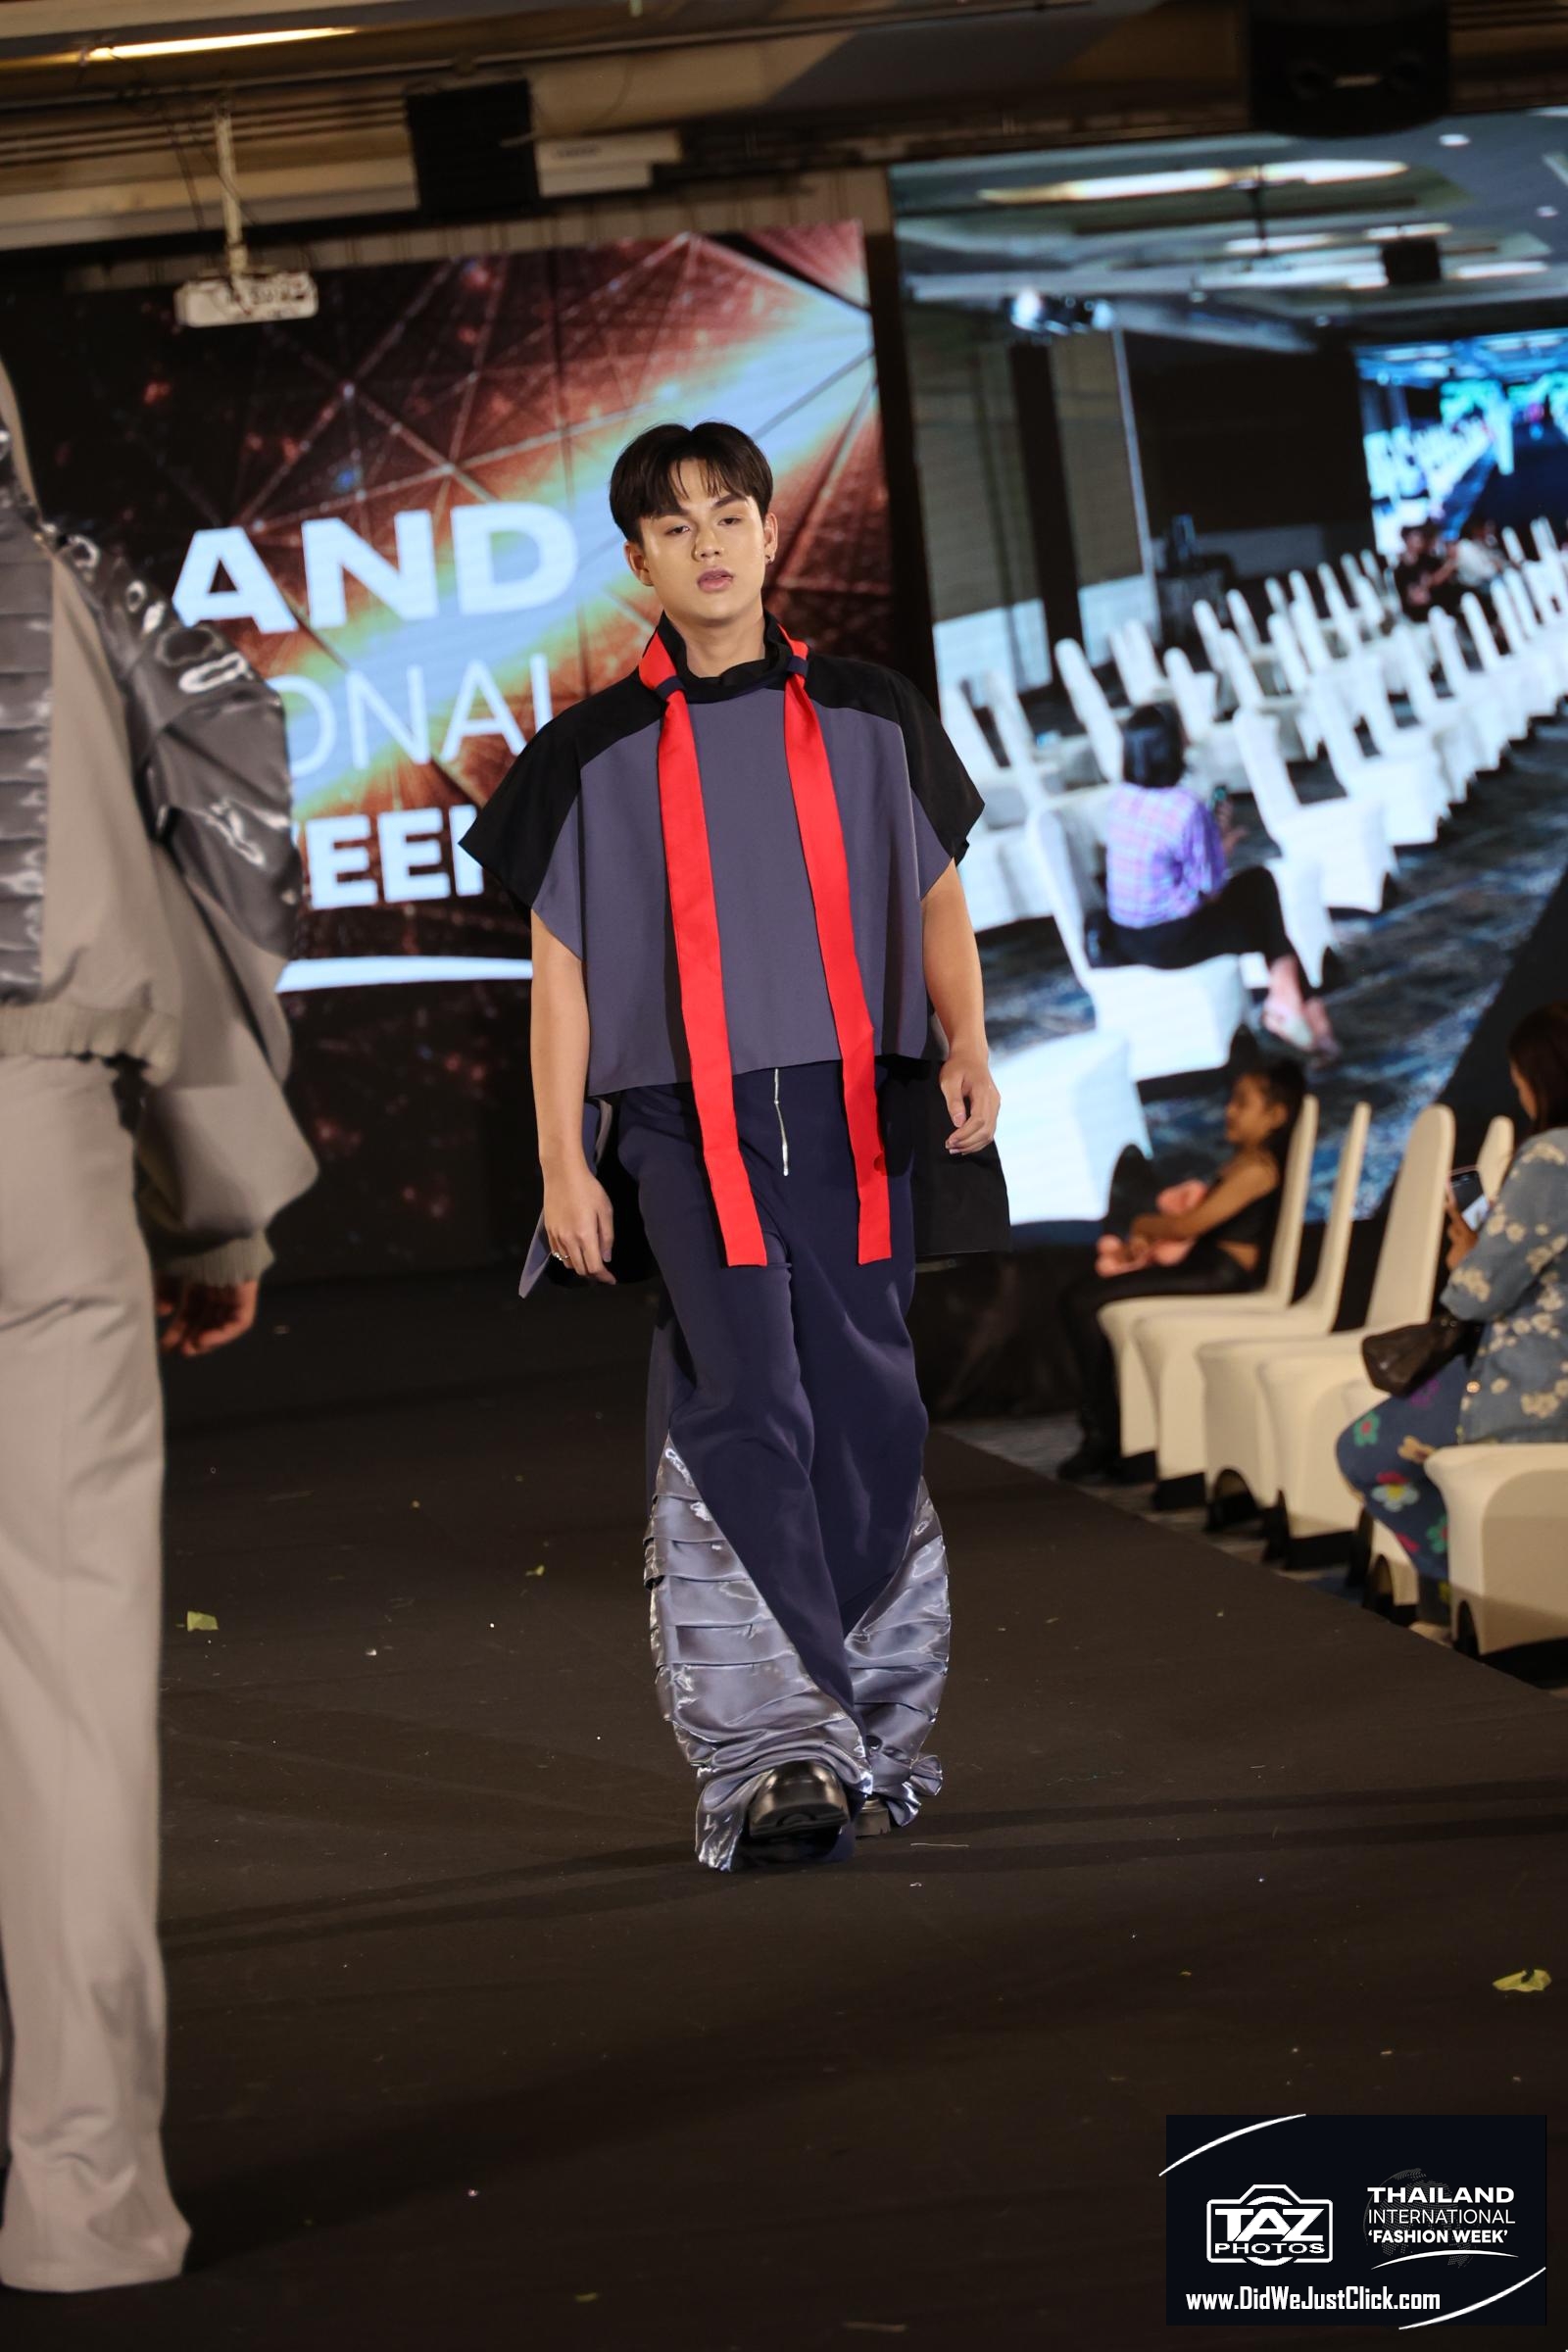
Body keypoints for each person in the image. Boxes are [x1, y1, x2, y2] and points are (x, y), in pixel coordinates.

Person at [463, 419, 1009, 1872]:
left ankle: (872, 1721)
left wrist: (967, 1039)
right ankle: (774, 1753)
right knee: (745, 1399)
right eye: (675, 524)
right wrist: (562, 1160)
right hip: (677, 1127)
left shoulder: (875, 713)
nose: (707, 543)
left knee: (872, 1403)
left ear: (772, 533)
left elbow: (937, 898)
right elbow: (562, 976)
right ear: (637, 561)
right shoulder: (587, 754)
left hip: (853, 1113)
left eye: (729, 515)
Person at [0, 364, 316, 2293]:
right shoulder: (71, 582)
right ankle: (84, 2206)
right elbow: (224, 827)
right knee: (67, 1701)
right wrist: (216, 1208)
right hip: (39, 1153)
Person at [1337, 1004, 1568, 1584]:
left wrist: (1467, 1255)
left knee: (1363, 1454)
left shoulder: (1551, 1158)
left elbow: (1474, 1296)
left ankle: (1464, 1589)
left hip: (1536, 1386)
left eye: (1520, 1080)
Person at [1057, 1060, 1306, 1483]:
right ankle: (1111, 1428)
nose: (1229, 1110)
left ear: (1276, 1115)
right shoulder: (1243, 1162)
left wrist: (1141, 1224)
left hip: (1220, 1274)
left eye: (1242, 1102)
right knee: (1085, 1298)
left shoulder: (1258, 1169)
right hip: (1205, 1266)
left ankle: (1103, 1433)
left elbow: (1190, 1225)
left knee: (1083, 1300)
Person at [1100, 703, 1338, 1060]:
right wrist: (1220, 843)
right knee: (1262, 893)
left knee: (1262, 905)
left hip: (1127, 936)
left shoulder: (1120, 798)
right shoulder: (1184, 806)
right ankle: (1299, 1009)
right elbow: (1210, 889)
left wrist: (1209, 840)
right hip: (1172, 942)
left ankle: (1299, 1010)